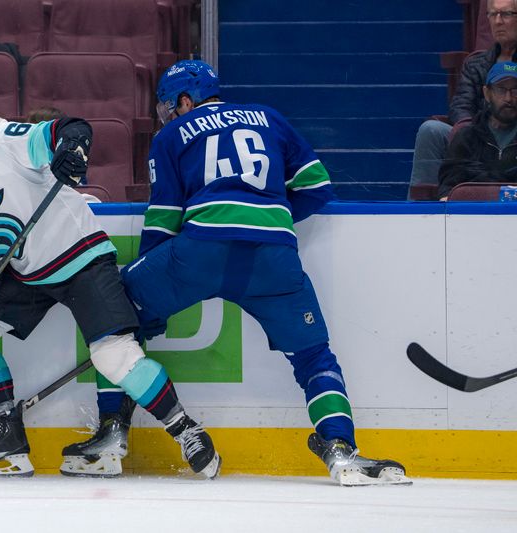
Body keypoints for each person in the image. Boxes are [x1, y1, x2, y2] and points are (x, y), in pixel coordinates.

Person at [98, 59, 409, 487]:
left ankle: (111, 435)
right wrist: (270, 220)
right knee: (315, 357)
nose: (169, 115)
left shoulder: (172, 135)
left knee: (112, 313)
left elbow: (163, 219)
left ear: (186, 100)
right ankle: (341, 450)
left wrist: (153, 290)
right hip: (274, 257)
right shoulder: (270, 118)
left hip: (200, 250)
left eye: (171, 105)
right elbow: (317, 187)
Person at [0, 94, 221, 480]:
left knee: (113, 356)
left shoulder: (2, 139)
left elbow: (70, 129)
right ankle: (7, 434)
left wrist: (72, 148)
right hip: (27, 274)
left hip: (80, 257)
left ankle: (185, 428)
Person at [409, 0, 517, 199]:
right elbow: (461, 105)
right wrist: (473, 131)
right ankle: (421, 210)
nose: (498, 21)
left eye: (507, 14)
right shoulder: (476, 63)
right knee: (431, 130)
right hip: (479, 133)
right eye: (493, 15)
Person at [438, 62, 517, 199]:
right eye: (501, 90)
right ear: (487, 93)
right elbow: (447, 190)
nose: (508, 98)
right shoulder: (467, 137)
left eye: (515, 90)